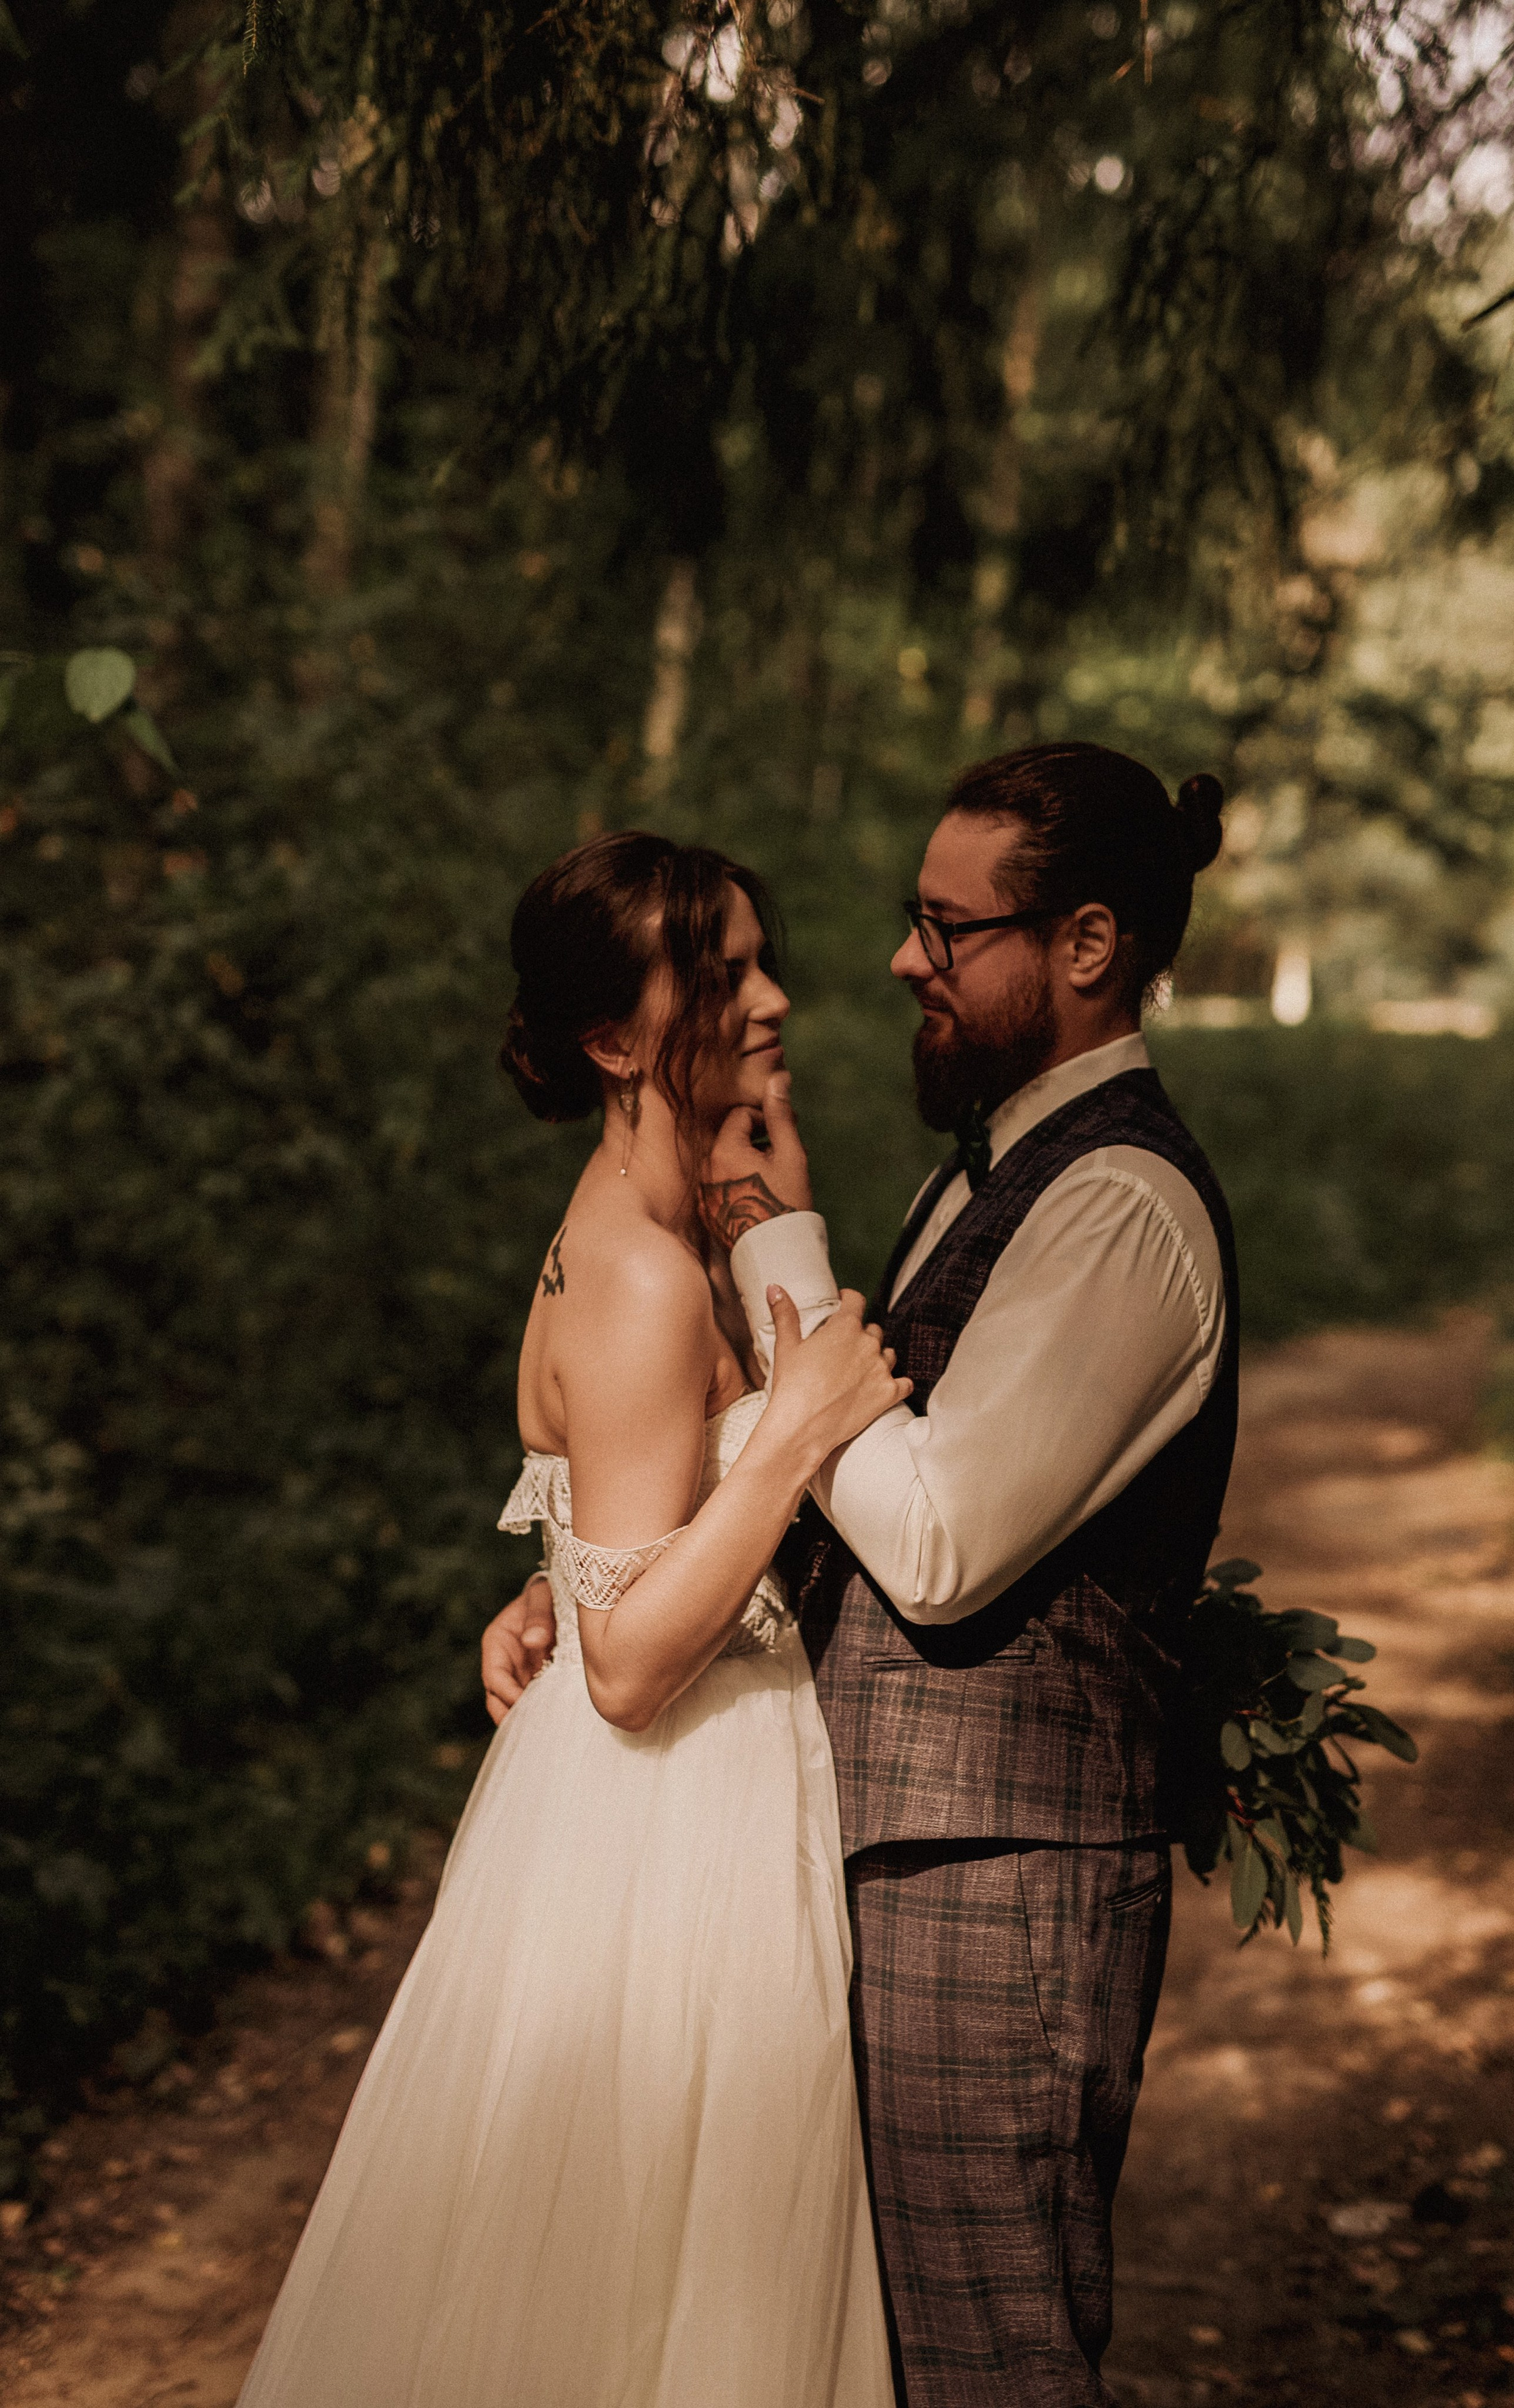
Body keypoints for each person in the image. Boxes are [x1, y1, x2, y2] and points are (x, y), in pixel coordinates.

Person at [486, 742, 1237, 2407]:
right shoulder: (979, 1173)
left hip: (1000, 1872)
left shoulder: (1117, 1206)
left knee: (990, 2352)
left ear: (1088, 945)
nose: (897, 957)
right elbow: (778, 1466)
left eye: (946, 924)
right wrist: (594, 1558)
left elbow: (941, 1538)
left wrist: (777, 1246)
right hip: (851, 1844)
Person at [238, 833, 907, 2408]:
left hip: (695, 1798)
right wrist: (801, 1431)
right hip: (661, 1828)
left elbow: (618, 1533)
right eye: (724, 972)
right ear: (614, 1039)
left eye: (761, 958)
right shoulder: (637, 1275)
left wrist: (553, 1576)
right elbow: (621, 1668)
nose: (773, 998)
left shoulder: (666, 1232)